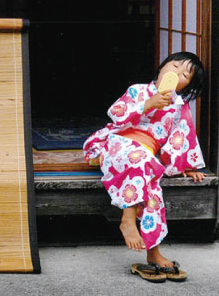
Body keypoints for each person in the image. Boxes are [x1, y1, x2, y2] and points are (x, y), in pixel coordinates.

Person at [82, 51, 207, 283]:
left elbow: (182, 137)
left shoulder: (179, 107)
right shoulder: (138, 90)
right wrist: (148, 104)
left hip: (146, 155)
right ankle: (127, 219)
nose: (176, 73)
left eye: (184, 75)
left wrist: (187, 165)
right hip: (118, 144)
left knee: (153, 194)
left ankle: (153, 252)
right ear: (162, 67)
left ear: (187, 86)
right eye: (174, 66)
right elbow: (116, 113)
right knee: (140, 158)